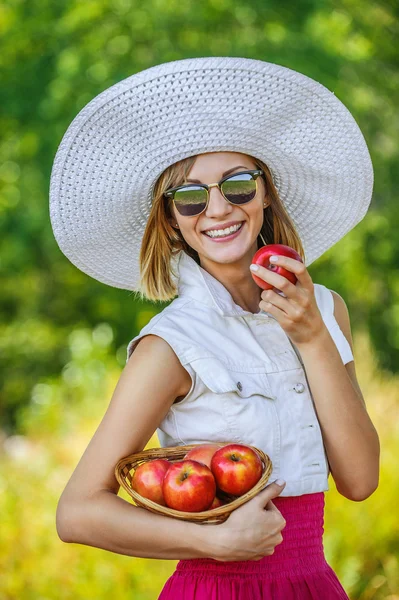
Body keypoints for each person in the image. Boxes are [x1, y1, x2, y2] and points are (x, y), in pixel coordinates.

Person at [50, 57, 380, 599]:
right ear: (172, 221)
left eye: (238, 184)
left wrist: (314, 336)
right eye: (190, 197)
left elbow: (360, 480)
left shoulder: (324, 309)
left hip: (314, 584)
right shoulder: (170, 346)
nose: (218, 208)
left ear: (266, 191)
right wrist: (213, 543)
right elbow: (77, 513)